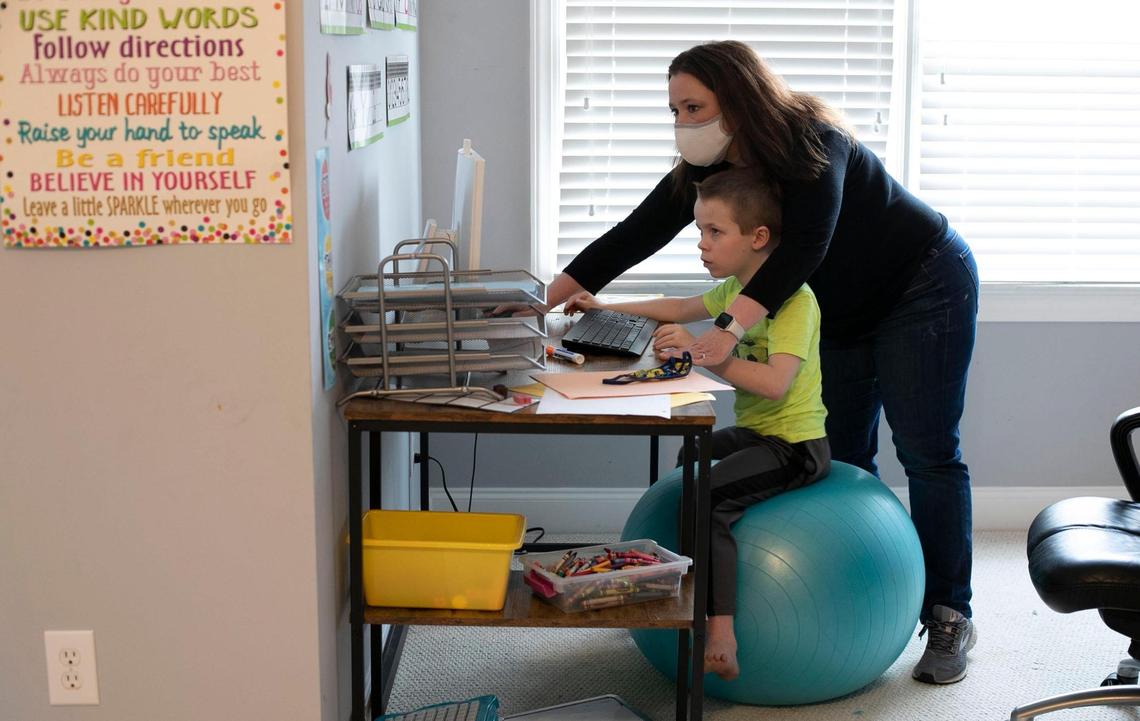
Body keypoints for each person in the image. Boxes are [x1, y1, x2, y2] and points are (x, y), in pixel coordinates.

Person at [546, 41, 979, 684]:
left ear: (739, 102)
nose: (683, 122)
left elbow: (807, 245)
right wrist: (539, 303)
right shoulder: (714, 172)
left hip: (922, 285)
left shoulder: (814, 142)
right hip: (836, 309)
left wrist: (721, 335)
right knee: (846, 455)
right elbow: (636, 232)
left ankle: (949, 614)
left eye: (695, 107)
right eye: (674, 110)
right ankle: (845, 608)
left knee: (927, 451)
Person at [571, 168, 830, 681]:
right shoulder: (737, 289)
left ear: (758, 238)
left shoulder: (794, 301)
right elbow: (679, 306)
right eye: (699, 232)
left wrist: (701, 354)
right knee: (692, 452)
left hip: (796, 446)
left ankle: (721, 631)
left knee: (708, 496)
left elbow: (776, 383)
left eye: (715, 233)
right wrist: (604, 304)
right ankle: (682, 579)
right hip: (761, 436)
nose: (702, 245)